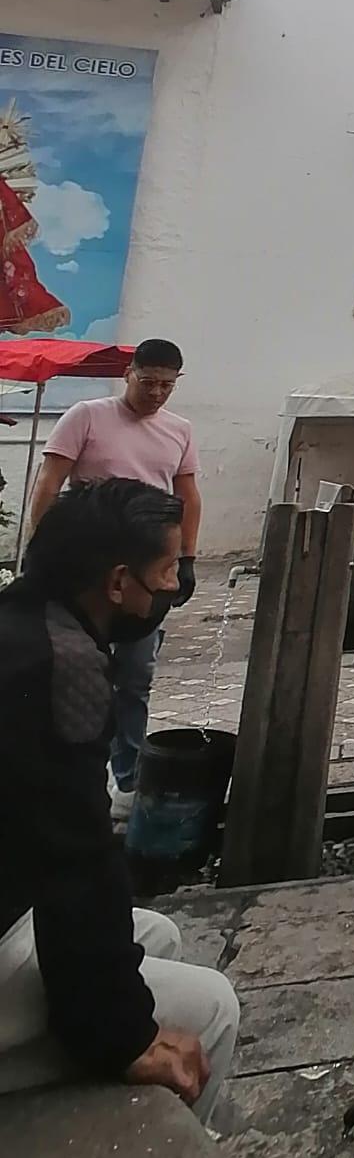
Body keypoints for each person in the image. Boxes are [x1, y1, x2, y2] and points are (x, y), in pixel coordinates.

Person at [0, 479, 240, 1124]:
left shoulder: (24, 620)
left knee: (155, 932)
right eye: (165, 571)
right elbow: (74, 859)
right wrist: (126, 1036)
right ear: (115, 583)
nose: (172, 587)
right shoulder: (65, 664)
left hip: (14, 893)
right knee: (211, 1008)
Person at [26, 339, 200, 821]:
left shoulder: (179, 430)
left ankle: (128, 776)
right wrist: (40, 550)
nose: (157, 393)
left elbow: (188, 495)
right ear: (129, 373)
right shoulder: (86, 415)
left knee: (135, 674)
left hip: (145, 567)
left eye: (168, 385)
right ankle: (72, 775)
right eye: (148, 382)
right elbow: (49, 484)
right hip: (90, 562)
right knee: (73, 666)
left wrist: (185, 559)